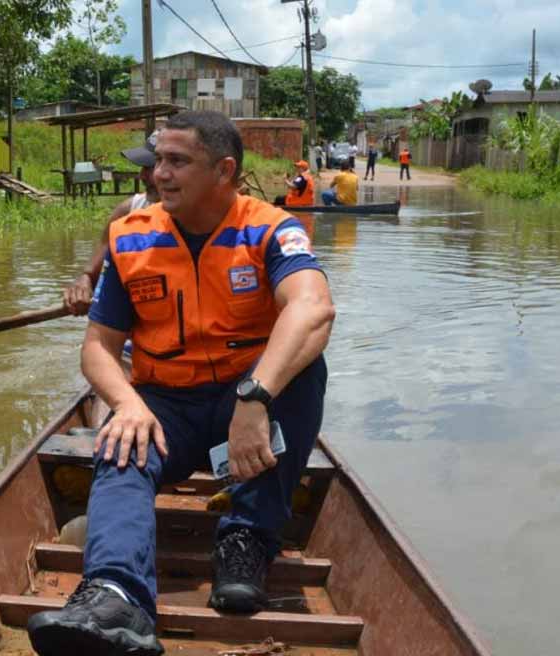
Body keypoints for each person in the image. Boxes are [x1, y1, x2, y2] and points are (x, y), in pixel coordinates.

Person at [27, 111, 335, 656]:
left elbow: (313, 310)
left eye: (176, 161)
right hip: (165, 403)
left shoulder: (269, 228)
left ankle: (245, 539)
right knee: (120, 442)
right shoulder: (131, 238)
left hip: (242, 410)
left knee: (305, 369)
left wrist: (255, 397)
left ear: (223, 171)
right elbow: (98, 347)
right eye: (158, 161)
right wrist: (125, 403)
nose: (158, 174)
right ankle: (117, 593)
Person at [63, 131, 161, 316]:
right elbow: (92, 272)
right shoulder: (128, 212)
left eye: (150, 168)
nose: (142, 176)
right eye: (143, 168)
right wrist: (83, 284)